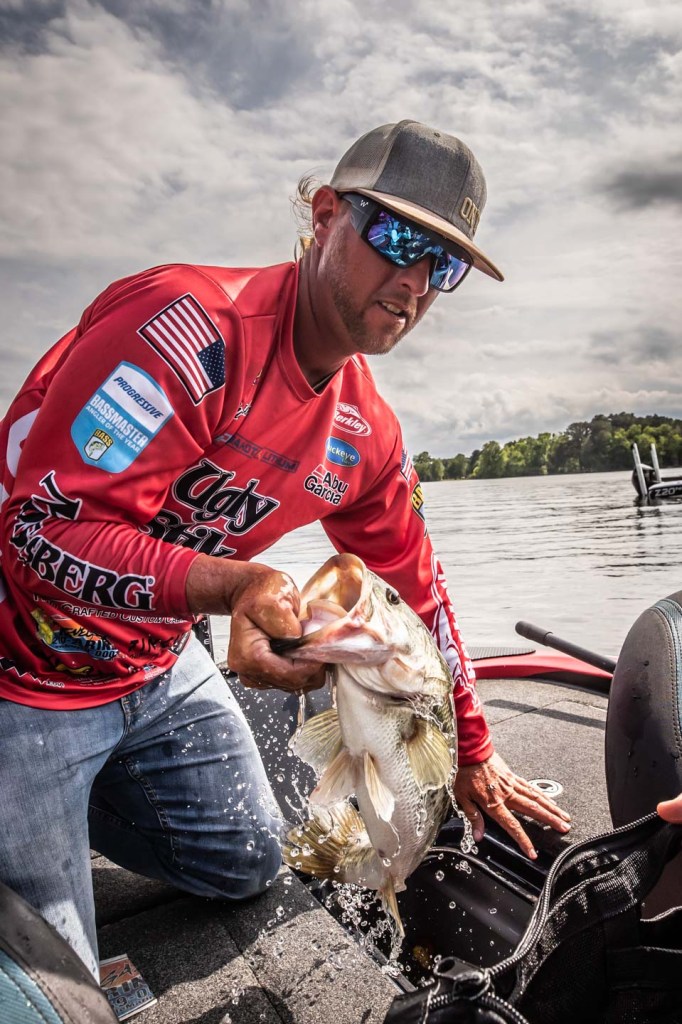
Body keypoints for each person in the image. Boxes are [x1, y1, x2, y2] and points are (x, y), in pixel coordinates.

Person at [0, 120, 570, 978]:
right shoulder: (187, 330)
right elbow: (36, 535)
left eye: (441, 265)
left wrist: (475, 750)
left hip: (152, 666)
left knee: (247, 864)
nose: (415, 282)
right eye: (398, 238)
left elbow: (419, 591)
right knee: (56, 991)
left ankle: (74, 800)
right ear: (326, 213)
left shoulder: (365, 431)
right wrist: (234, 587)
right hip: (19, 674)